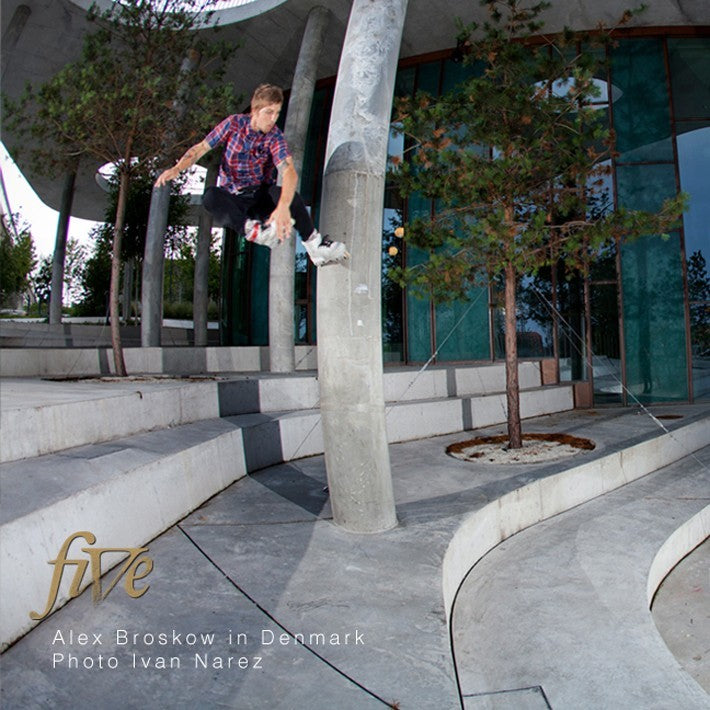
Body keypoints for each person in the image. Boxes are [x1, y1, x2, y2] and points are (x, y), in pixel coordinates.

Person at [156, 83, 347, 266]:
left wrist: (282, 207)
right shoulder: (233, 124)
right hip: (234, 199)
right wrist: (177, 168)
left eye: (277, 113)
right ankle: (253, 231)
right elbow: (201, 148)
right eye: (269, 112)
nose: (273, 119)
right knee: (210, 196)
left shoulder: (275, 136)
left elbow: (289, 171)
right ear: (255, 111)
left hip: (260, 198)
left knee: (288, 196)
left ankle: (315, 246)